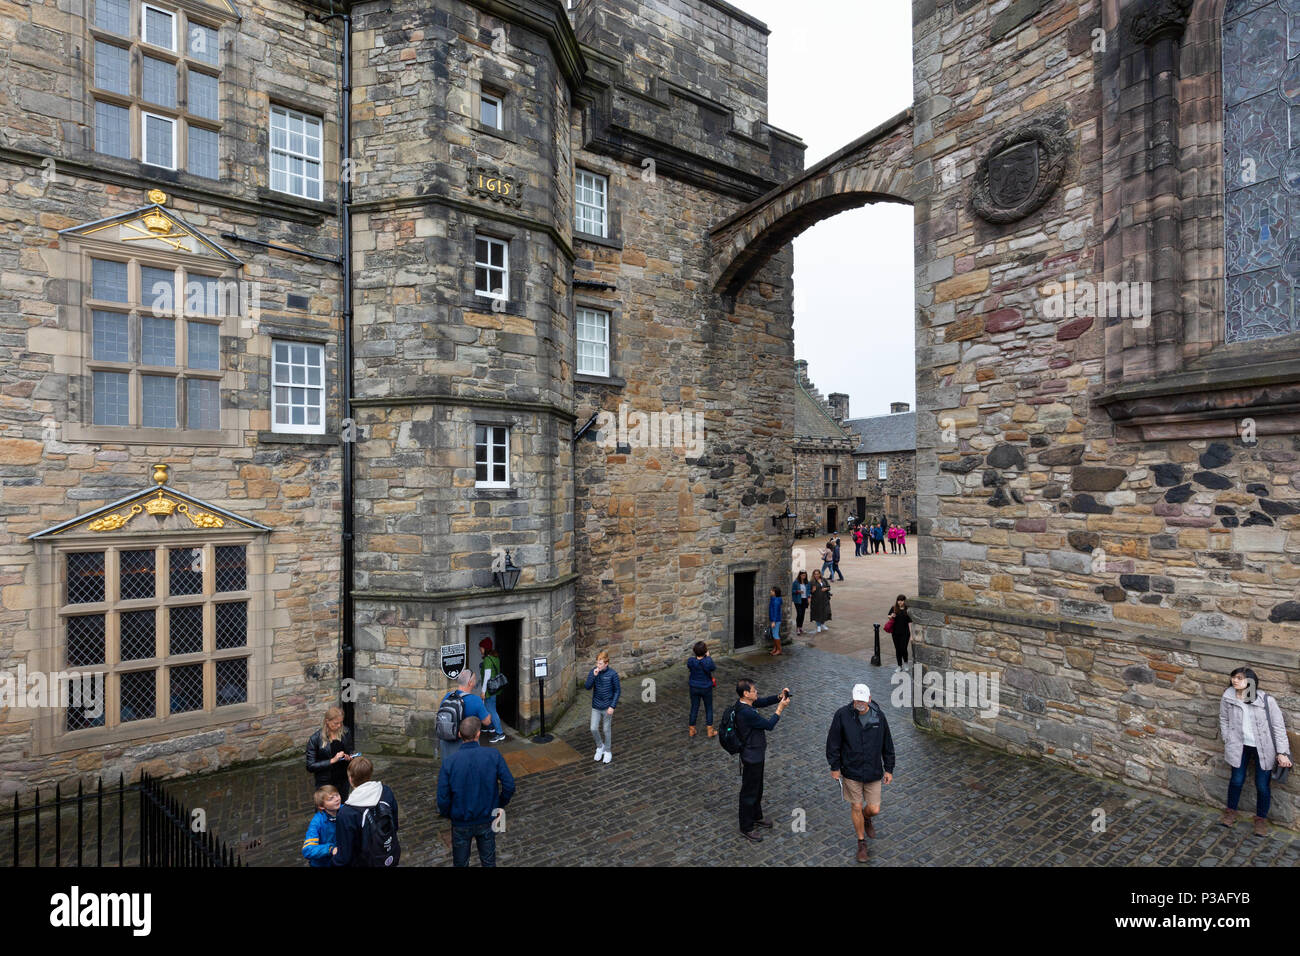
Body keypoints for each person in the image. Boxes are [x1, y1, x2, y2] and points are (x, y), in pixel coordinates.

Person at [826, 683, 895, 863]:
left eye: (863, 701)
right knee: (855, 806)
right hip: (851, 771)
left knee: (874, 808)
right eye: (857, 700)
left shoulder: (879, 717)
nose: (860, 704)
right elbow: (833, 742)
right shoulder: (842, 715)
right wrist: (835, 767)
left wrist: (889, 768)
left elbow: (887, 744)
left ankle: (866, 818)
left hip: (873, 771)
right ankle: (861, 842)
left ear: (870, 699)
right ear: (853, 699)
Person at [1219, 667, 1292, 836]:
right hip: (1239, 745)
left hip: (1263, 748)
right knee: (1236, 780)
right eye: (1233, 677)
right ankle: (1230, 812)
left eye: (1239, 678)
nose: (1234, 680)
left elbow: (1278, 727)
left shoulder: (1266, 700)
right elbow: (1223, 718)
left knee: (1262, 785)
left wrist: (1282, 752)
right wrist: (1227, 737)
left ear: (1250, 681)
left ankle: (1260, 820)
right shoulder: (1228, 696)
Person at [437, 716, 517, 867]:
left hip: (461, 821)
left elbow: (442, 798)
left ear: (460, 735)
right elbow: (509, 785)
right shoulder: (493, 755)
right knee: (488, 861)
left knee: (460, 863)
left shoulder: (449, 763)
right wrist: (499, 805)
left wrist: (451, 814)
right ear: (479, 734)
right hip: (487, 817)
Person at [735, 678, 791, 842]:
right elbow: (769, 724)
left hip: (757, 754)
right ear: (746, 694)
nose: (756, 692)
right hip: (751, 757)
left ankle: (756, 815)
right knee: (749, 792)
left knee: (758, 788)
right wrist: (780, 709)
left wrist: (778, 697)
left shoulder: (745, 703)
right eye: (754, 690)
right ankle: (746, 827)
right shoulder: (746, 712)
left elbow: (763, 701)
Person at [331, 756, 400, 867]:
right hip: (389, 853)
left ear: (350, 778)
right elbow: (394, 825)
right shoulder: (386, 791)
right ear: (370, 774)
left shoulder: (346, 813)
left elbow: (345, 854)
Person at [438, 670, 494, 763]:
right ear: (470, 683)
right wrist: (489, 714)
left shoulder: (447, 696)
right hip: (466, 747)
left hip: (447, 745)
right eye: (475, 679)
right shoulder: (475, 700)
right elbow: (487, 722)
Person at [305, 705, 354, 800]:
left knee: (342, 805)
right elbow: (310, 766)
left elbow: (350, 750)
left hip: (343, 779)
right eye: (336, 723)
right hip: (326, 781)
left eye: (341, 723)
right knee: (325, 807)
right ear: (327, 721)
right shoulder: (315, 739)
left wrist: (350, 757)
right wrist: (332, 761)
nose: (339, 726)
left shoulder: (346, 732)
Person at [585, 650, 621, 763]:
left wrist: (612, 706)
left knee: (606, 729)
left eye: (600, 663)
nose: (598, 665)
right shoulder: (594, 672)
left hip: (607, 707)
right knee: (593, 728)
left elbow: (617, 691)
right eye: (597, 663)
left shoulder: (613, 674)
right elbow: (587, 687)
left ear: (606, 663)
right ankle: (600, 746)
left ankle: (608, 751)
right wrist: (593, 676)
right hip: (596, 706)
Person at [301, 785, 340, 867]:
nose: (337, 799)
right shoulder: (317, 822)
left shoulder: (345, 811)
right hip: (323, 864)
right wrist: (330, 849)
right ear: (321, 806)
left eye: (337, 795)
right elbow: (308, 849)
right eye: (331, 799)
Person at [478, 637, 507, 743]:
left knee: (492, 711)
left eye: (481, 648)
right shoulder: (495, 657)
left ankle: (500, 733)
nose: (480, 650)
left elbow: (487, 677)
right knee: (488, 708)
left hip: (489, 691)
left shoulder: (487, 660)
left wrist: (483, 691)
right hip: (494, 689)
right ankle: (490, 727)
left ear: (485, 648)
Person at [687, 641, 717, 737]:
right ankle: (710, 731)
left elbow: (690, 666)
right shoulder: (707, 661)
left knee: (694, 707)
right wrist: (708, 657)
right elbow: (712, 667)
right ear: (705, 651)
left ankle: (692, 730)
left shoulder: (691, 661)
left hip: (694, 687)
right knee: (708, 708)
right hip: (706, 688)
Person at [887, 594, 912, 668]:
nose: (900, 602)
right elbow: (888, 616)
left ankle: (906, 663)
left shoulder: (907, 610)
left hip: (905, 633)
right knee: (897, 649)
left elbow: (910, 623)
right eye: (898, 600)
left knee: (903, 648)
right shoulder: (894, 608)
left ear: (904, 601)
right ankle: (899, 666)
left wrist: (911, 635)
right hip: (895, 632)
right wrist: (891, 616)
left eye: (901, 600)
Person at [791, 570, 810, 636]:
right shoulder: (796, 582)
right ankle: (798, 628)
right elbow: (792, 590)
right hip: (798, 600)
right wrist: (797, 591)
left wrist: (809, 598)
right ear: (800, 575)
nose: (803, 576)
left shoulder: (807, 582)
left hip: (804, 600)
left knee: (803, 614)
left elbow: (808, 591)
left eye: (804, 575)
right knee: (799, 613)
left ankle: (801, 627)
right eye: (802, 575)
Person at [768, 586, 784, 656]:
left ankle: (779, 650)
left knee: (775, 635)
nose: (770, 591)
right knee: (774, 634)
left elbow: (775, 611)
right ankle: (775, 648)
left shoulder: (776, 601)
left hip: (776, 620)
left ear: (775, 593)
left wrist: (773, 621)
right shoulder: (773, 598)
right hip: (774, 619)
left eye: (772, 591)